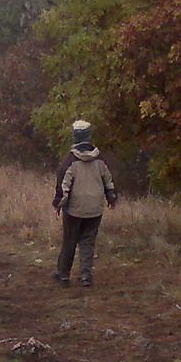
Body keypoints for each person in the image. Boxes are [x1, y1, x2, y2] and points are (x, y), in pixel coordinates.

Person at [52, 120, 117, 286]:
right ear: (89, 136)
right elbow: (108, 180)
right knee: (88, 241)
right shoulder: (100, 158)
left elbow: (63, 185)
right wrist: (111, 199)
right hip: (95, 208)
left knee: (70, 240)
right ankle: (85, 276)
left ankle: (63, 274)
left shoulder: (69, 160)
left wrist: (58, 204)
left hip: (74, 208)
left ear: (74, 136)